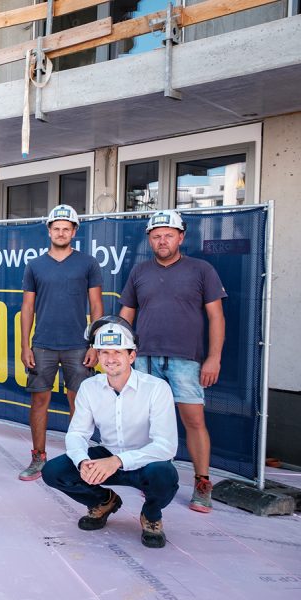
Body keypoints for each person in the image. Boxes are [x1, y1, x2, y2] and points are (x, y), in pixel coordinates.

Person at [120, 209, 226, 513]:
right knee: (147, 423)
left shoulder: (201, 270)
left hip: (187, 361)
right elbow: (127, 315)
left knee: (193, 421)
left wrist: (213, 358)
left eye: (168, 235)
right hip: (144, 360)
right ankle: (152, 480)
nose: (162, 240)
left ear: (181, 237)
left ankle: (202, 483)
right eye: (156, 236)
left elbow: (216, 316)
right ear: (149, 240)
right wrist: (124, 355)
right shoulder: (139, 271)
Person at [41, 317, 178, 548]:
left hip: (144, 461)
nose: (110, 359)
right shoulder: (89, 387)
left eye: (118, 352)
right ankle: (103, 501)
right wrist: (83, 461)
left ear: (131, 356)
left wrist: (117, 461)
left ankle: (151, 515)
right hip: (107, 457)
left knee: (165, 475)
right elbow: (76, 434)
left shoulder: (156, 389)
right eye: (104, 352)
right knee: (53, 472)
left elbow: (165, 446)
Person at [19, 204, 103, 481]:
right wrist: (24, 345)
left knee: (78, 403)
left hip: (78, 345)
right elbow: (28, 307)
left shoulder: (88, 263)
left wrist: (95, 343)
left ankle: (76, 460)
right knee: (39, 400)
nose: (61, 232)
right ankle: (38, 457)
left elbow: (96, 305)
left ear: (74, 231)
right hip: (42, 344)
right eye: (56, 228)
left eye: (66, 228)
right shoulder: (35, 265)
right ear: (49, 231)